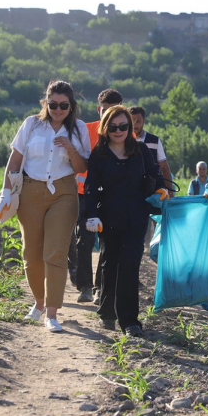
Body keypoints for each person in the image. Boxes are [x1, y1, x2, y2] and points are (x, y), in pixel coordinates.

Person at [0, 80, 90, 333]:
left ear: (71, 105)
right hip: (30, 191)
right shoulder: (31, 124)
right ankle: (39, 304)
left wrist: (69, 148)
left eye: (63, 105)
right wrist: (4, 192)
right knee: (31, 254)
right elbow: (15, 159)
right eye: (53, 104)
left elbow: (82, 168)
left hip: (64, 192)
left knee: (55, 252)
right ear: (46, 102)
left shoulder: (78, 129)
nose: (58, 109)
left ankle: (52, 314)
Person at [84, 105, 168, 336]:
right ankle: (107, 313)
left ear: (130, 127)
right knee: (109, 265)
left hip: (136, 217)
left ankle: (129, 320)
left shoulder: (140, 150)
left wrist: (161, 190)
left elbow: (155, 174)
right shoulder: (99, 154)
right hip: (108, 218)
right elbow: (91, 187)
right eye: (113, 127)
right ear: (105, 128)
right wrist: (91, 215)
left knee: (130, 266)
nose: (118, 131)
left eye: (123, 126)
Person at [72, 88, 123, 304]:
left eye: (114, 111)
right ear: (98, 110)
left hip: (111, 198)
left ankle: (100, 287)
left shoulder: (123, 133)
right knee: (84, 239)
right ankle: (84, 286)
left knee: (107, 243)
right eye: (105, 111)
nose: (110, 116)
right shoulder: (86, 130)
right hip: (83, 195)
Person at [129, 106, 174, 196]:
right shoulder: (121, 142)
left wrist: (170, 193)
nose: (134, 125)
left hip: (152, 191)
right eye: (131, 121)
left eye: (138, 121)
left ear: (144, 121)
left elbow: (164, 167)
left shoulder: (154, 141)